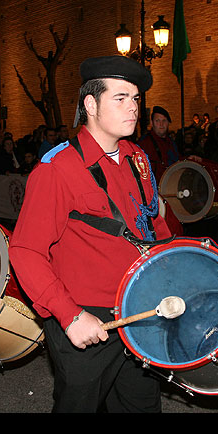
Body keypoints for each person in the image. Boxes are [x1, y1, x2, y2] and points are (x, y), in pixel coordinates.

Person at [9, 55, 172, 413]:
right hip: (88, 316)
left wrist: (171, 275)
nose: (133, 108)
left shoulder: (138, 158)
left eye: (135, 99)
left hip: (139, 309)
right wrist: (69, 315)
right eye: (121, 98)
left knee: (142, 405)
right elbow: (25, 250)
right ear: (91, 104)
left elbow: (152, 225)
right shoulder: (57, 169)